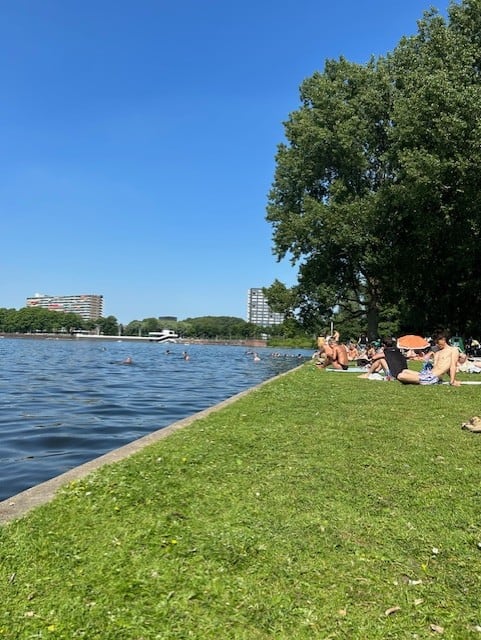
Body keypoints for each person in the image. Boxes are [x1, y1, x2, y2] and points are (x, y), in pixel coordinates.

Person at [396, 331, 461, 386]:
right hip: (428, 374)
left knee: (400, 376)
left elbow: (452, 366)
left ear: (443, 340)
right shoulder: (438, 353)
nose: (436, 344)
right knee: (405, 371)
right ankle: (416, 379)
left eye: (437, 342)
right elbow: (438, 367)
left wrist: (452, 380)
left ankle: (418, 380)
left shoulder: (453, 350)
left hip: (432, 377)